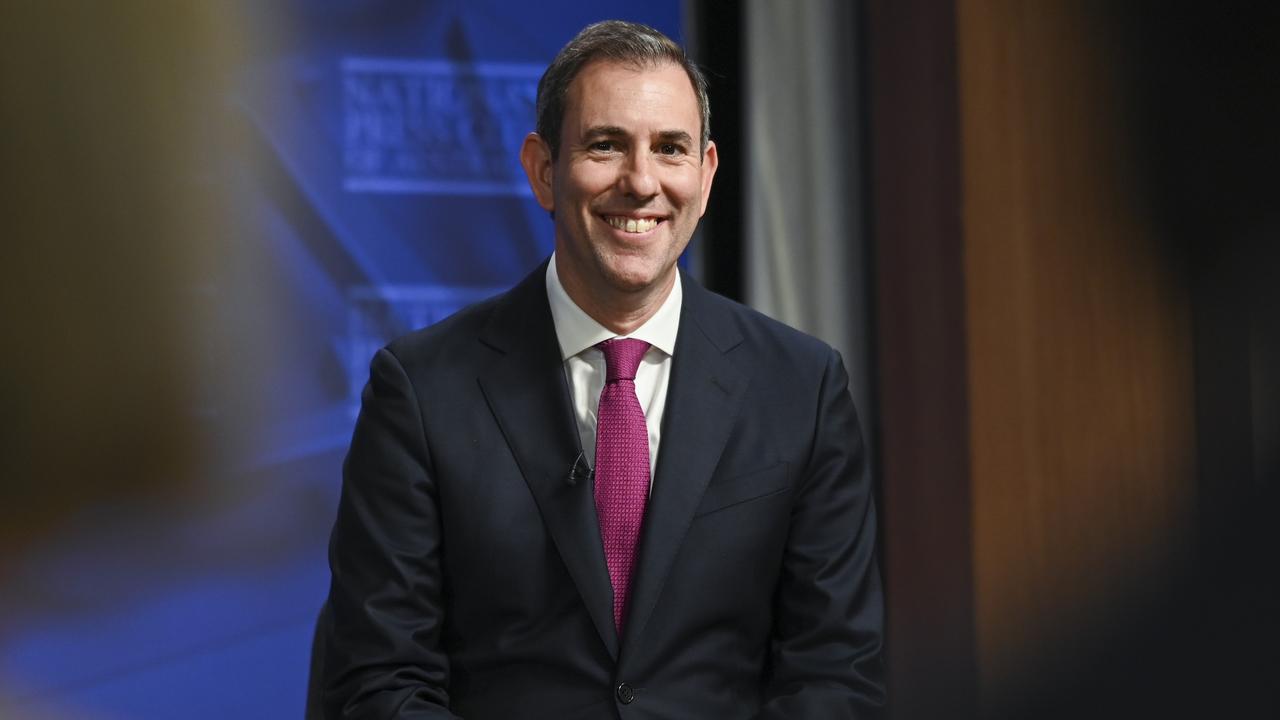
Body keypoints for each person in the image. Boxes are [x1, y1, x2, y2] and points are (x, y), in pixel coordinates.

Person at [317, 20, 884, 719]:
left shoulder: (803, 387)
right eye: (606, 144)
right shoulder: (421, 389)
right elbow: (375, 680)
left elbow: (837, 675)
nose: (641, 182)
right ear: (544, 170)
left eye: (669, 149)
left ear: (705, 177)